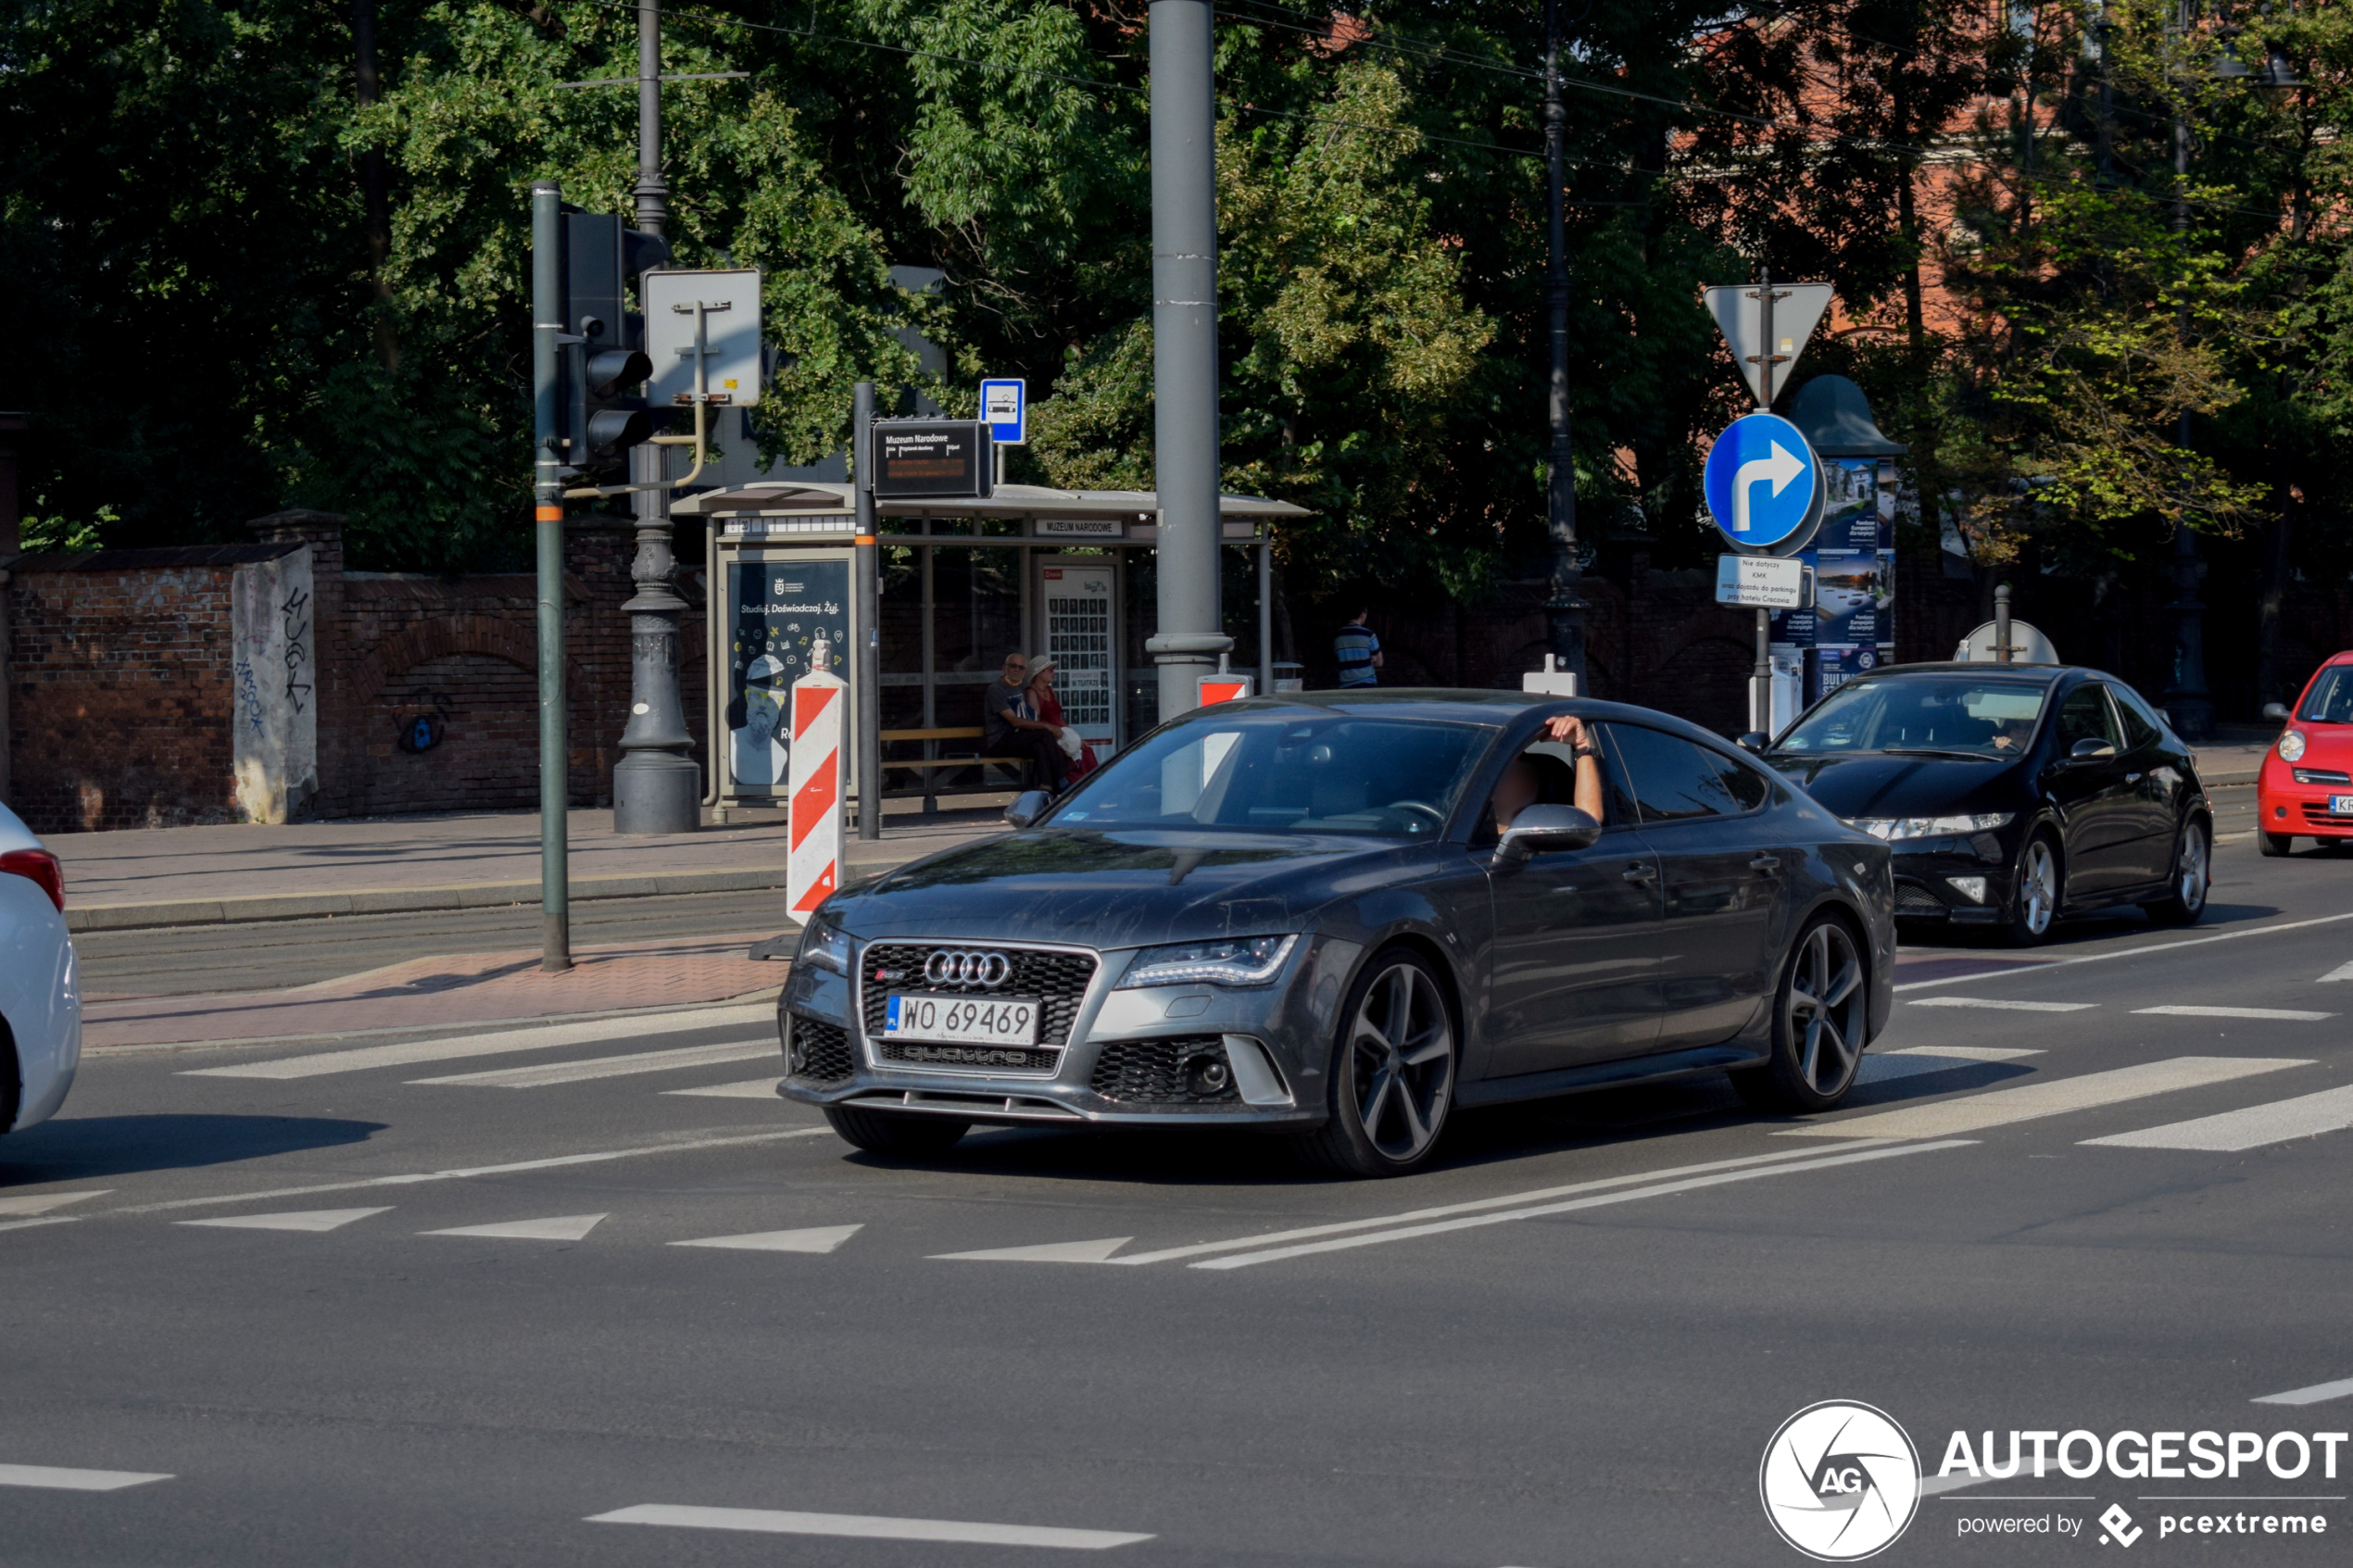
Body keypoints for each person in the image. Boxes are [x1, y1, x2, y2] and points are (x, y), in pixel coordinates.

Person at [1491, 712, 1607, 834]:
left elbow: (1588, 821)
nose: (1492, 790)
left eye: (1504, 779)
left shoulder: (1537, 830)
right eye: (1488, 779)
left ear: (1531, 785)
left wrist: (1582, 747)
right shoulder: (1472, 825)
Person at [982, 651, 1069, 792]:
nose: (1017, 670)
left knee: (1039, 747)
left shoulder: (1021, 688)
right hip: (1000, 740)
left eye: (1021, 668)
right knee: (1044, 734)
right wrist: (1047, 725)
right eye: (1013, 666)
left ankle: (1046, 786)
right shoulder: (996, 689)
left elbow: (1033, 714)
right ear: (1005, 668)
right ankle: (1061, 778)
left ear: (1025, 671)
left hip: (1019, 738)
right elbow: (1014, 721)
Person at [1027, 656, 1098, 783]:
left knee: (1086, 750)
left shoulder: (1050, 690)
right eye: (1050, 669)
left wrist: (1075, 737)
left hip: (1061, 732)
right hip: (1048, 736)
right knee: (1074, 755)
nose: (1053, 673)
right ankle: (1070, 785)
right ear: (1040, 673)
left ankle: (1090, 785)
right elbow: (1035, 721)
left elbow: (1059, 718)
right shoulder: (1032, 693)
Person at [1334, 608, 1382, 688]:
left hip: (1346, 685)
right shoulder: (1369, 635)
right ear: (1362, 614)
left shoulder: (1338, 636)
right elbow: (1379, 662)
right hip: (1368, 683)